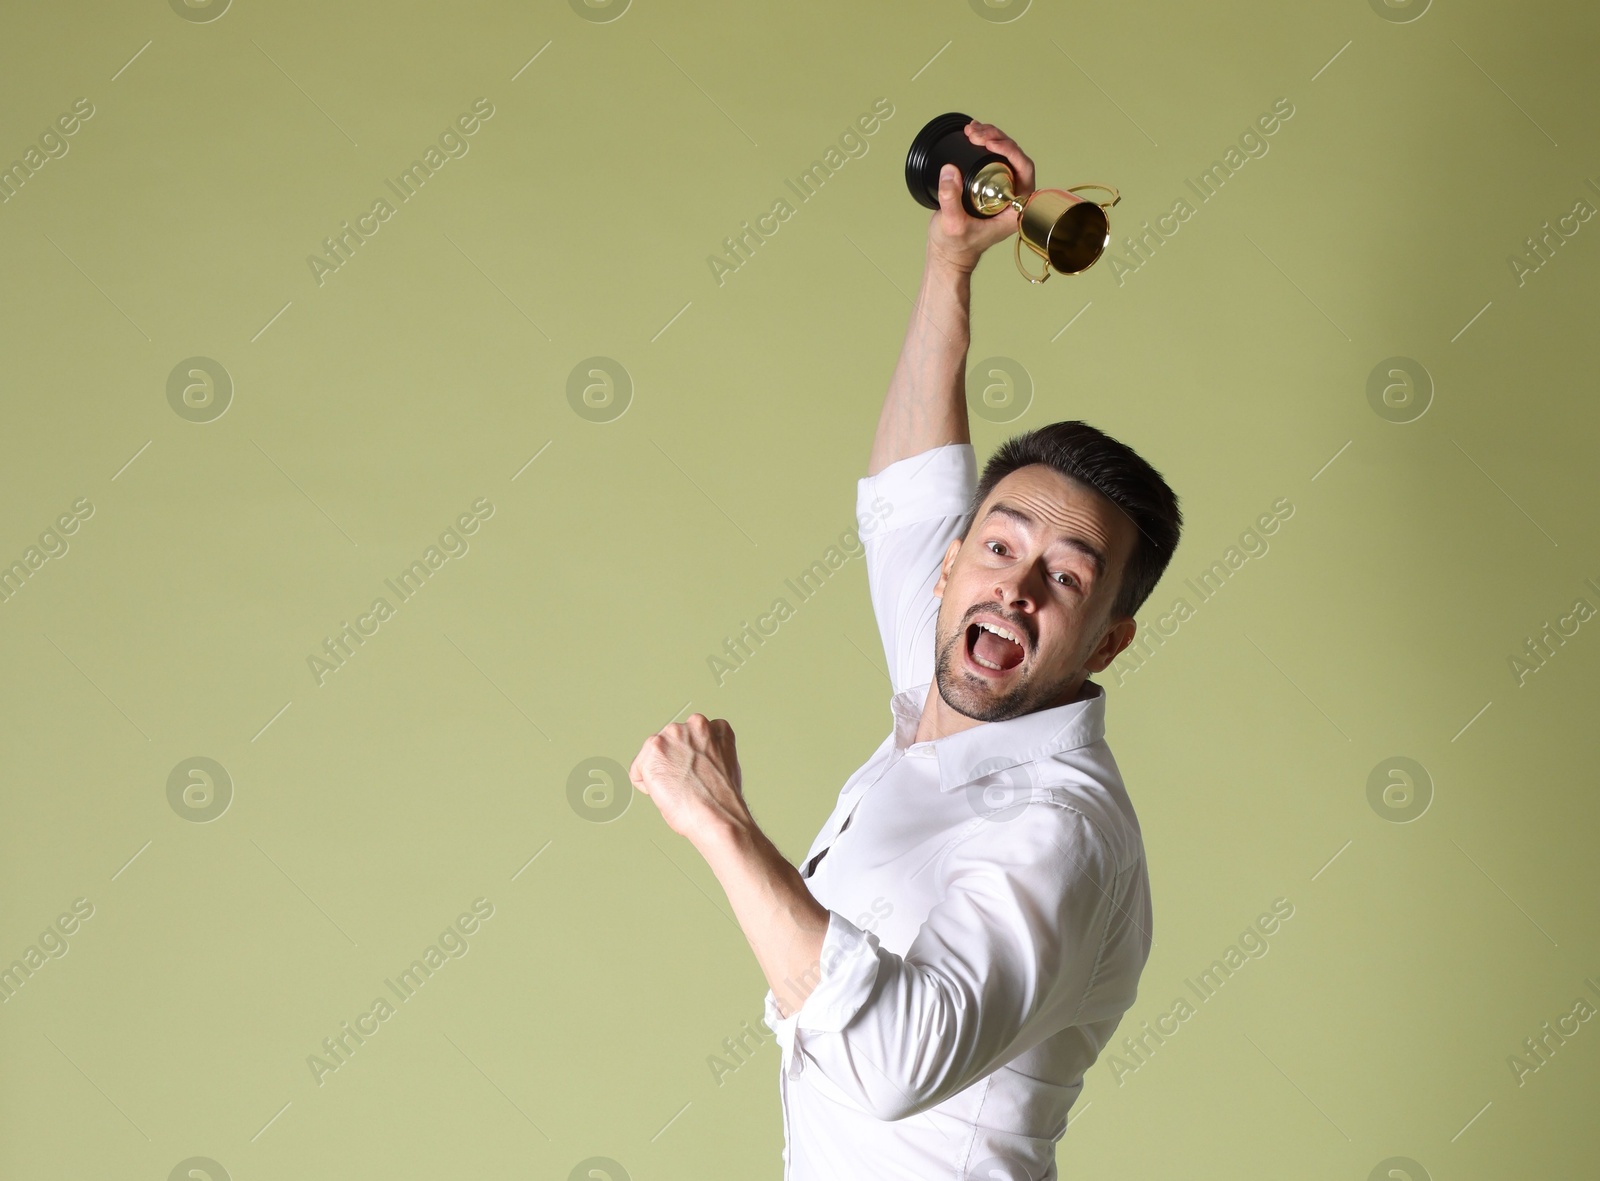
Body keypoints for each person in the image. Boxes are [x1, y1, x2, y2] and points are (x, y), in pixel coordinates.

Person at [630, 119, 1183, 1180]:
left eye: (1064, 575)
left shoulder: (1057, 831)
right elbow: (906, 494)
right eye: (999, 543)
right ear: (953, 565)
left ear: (1107, 639)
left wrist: (720, 821)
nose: (1015, 584)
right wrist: (949, 264)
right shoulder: (951, 670)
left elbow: (890, 1058)